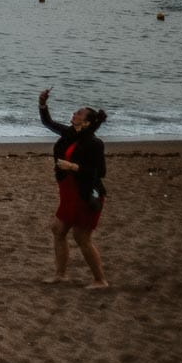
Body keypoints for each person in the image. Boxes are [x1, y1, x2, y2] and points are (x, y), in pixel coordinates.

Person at [39, 89, 109, 288]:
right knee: (58, 229)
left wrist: (73, 167)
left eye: (79, 113)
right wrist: (42, 104)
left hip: (85, 193)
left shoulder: (94, 143)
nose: (74, 114)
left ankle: (100, 280)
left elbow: (99, 172)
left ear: (87, 122)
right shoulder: (70, 134)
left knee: (81, 237)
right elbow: (48, 123)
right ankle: (61, 274)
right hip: (68, 192)